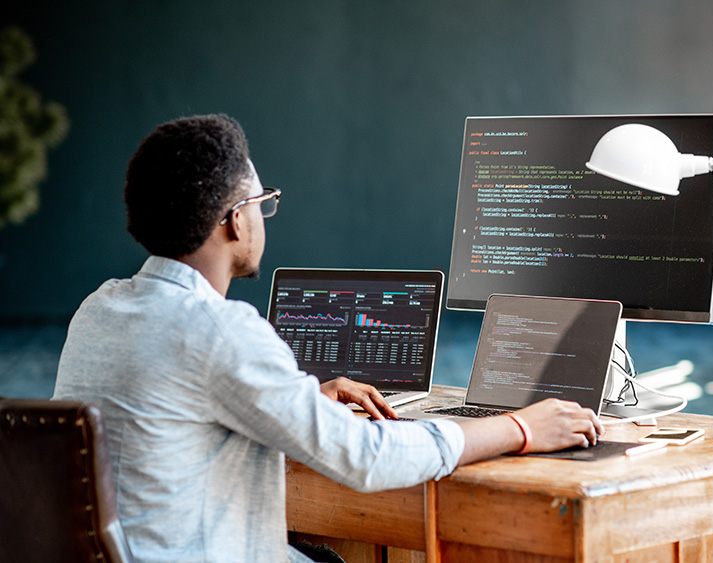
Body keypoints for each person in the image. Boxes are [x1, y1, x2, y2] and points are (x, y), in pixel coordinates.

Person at [52, 114, 603, 563]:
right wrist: (519, 427)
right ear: (236, 221)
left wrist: (302, 402)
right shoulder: (223, 329)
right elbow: (364, 457)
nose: (265, 216)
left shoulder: (98, 309)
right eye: (262, 203)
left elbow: (167, 416)